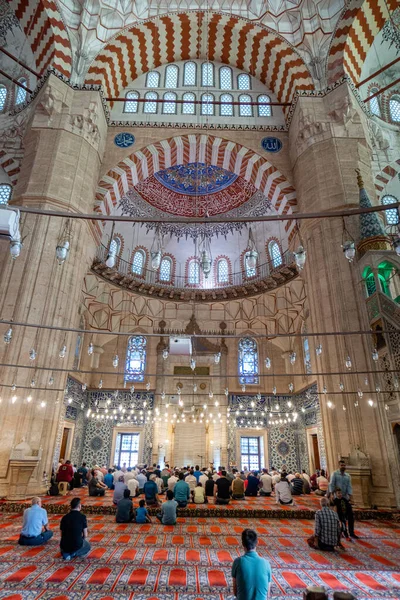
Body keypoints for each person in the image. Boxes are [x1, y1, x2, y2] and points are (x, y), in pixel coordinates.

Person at [232, 529, 272, 600]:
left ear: (243, 544)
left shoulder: (237, 562)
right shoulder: (266, 563)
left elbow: (235, 592)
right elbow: (267, 595)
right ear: (257, 543)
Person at [328, 460, 358, 538]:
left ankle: (351, 532)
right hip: (336, 498)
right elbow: (331, 484)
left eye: (344, 465)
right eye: (342, 465)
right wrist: (331, 494)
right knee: (339, 516)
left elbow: (349, 487)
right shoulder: (334, 474)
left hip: (345, 498)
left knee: (350, 515)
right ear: (339, 466)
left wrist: (351, 497)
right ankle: (339, 531)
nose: (343, 467)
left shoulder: (347, 476)